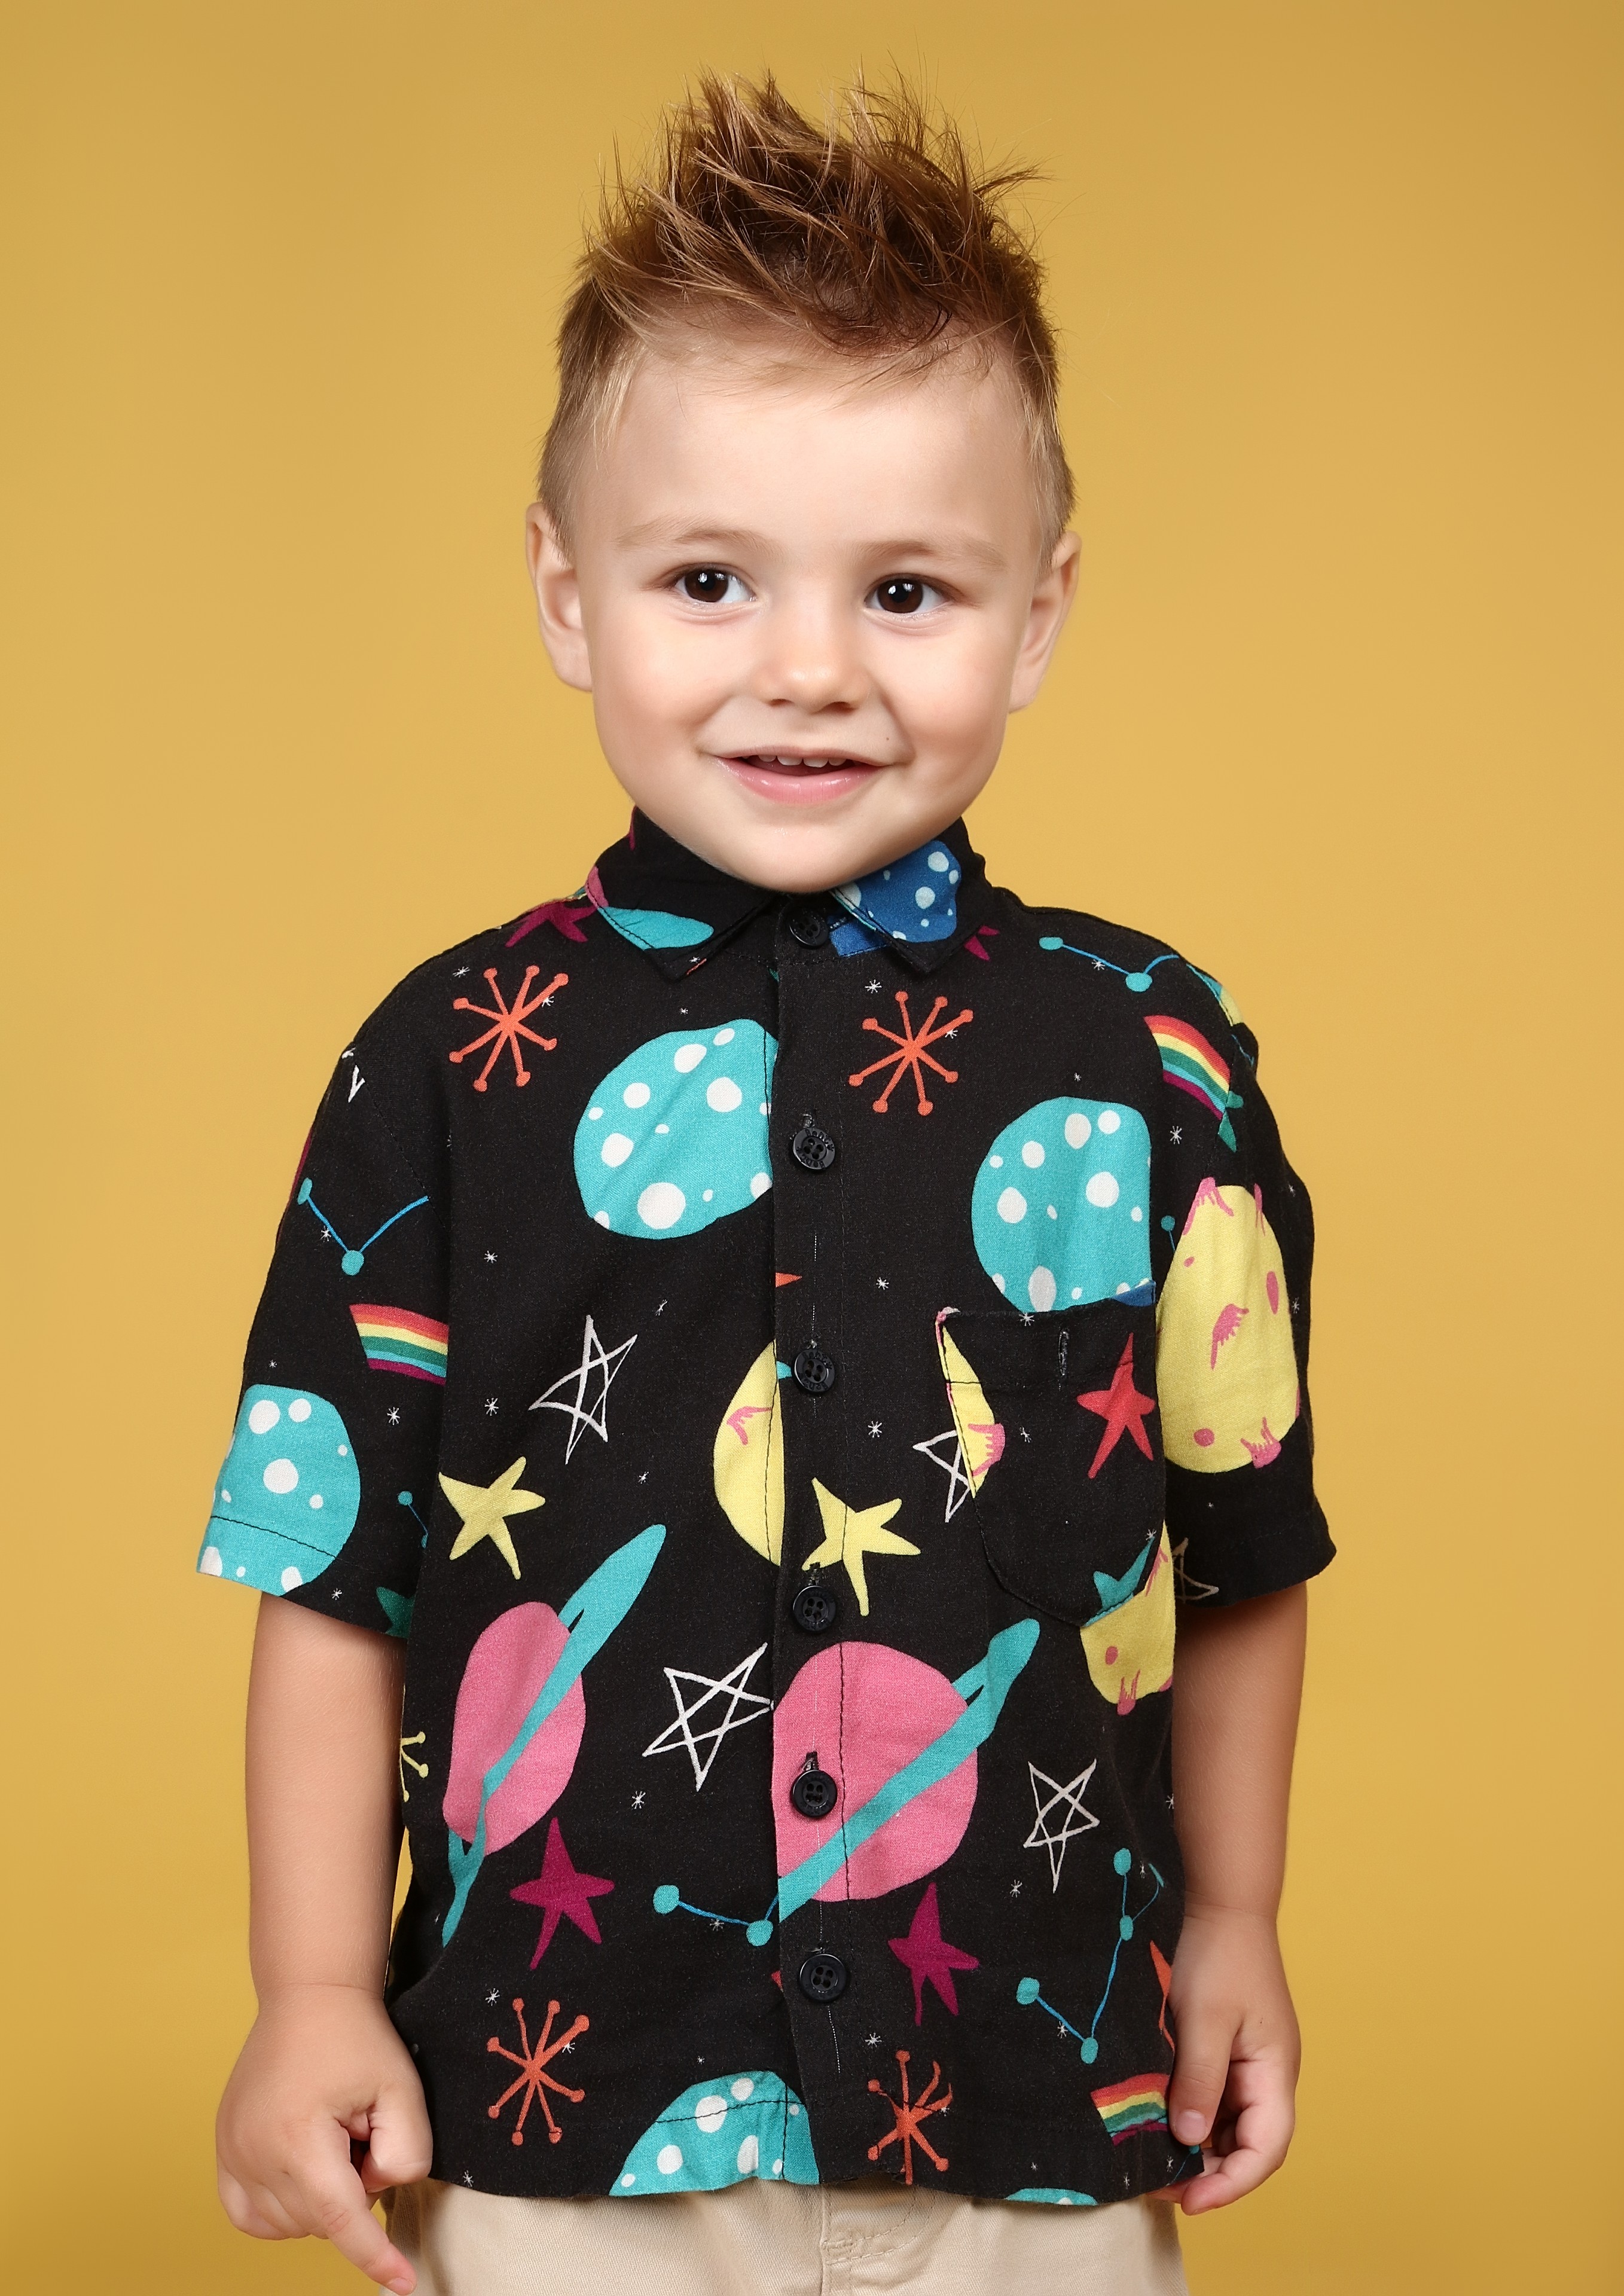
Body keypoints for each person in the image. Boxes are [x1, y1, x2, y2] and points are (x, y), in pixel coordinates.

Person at [204, 74, 1333, 2296]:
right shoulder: (445, 1059)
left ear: (1035, 614)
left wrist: (1234, 1917)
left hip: (1036, 2098)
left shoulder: (1152, 1059)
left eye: (905, 589)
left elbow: (1242, 1536)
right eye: (708, 579)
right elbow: (329, 1567)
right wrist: (312, 1988)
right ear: (567, 593)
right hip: (560, 2109)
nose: (808, 669)